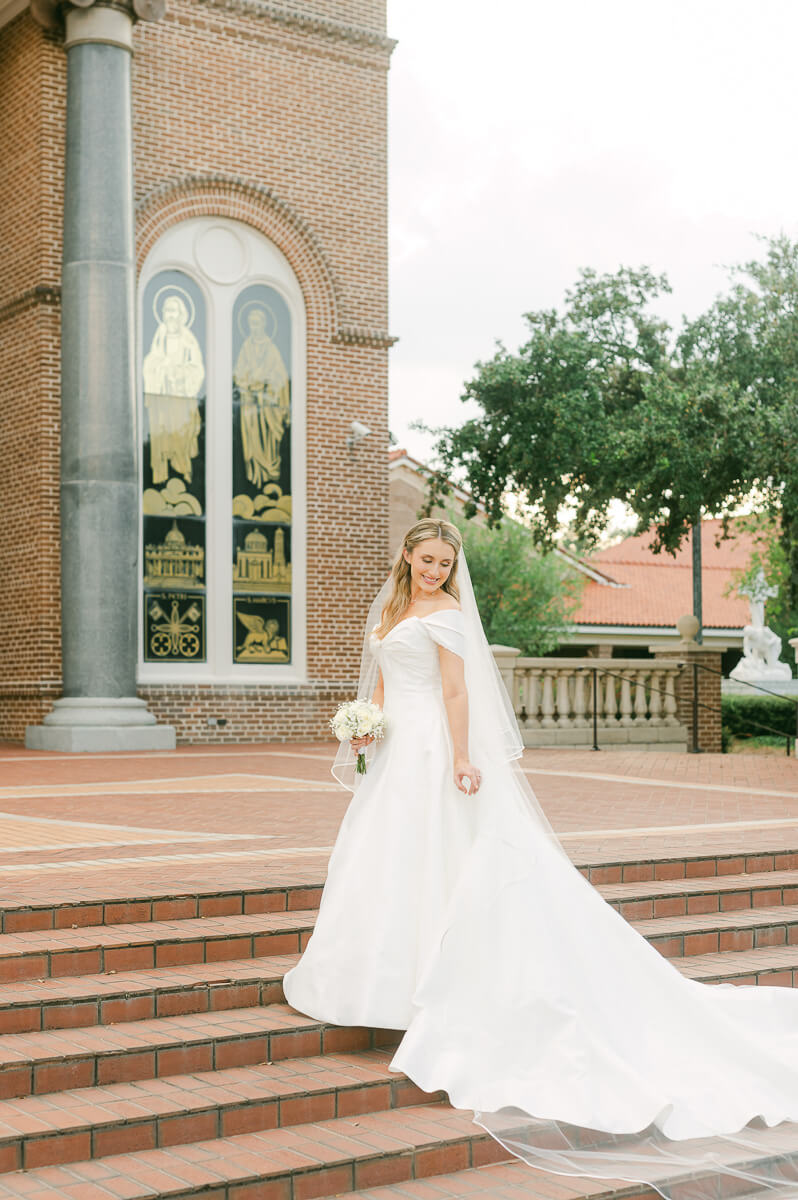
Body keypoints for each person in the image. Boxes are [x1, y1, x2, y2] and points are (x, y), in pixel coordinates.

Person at [283, 519, 798, 1200]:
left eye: (445, 562)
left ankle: (427, 984)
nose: (435, 570)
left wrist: (463, 757)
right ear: (407, 555)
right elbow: (381, 682)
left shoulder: (442, 614)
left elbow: (457, 691)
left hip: (437, 749)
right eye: (427, 559)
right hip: (393, 753)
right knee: (380, 860)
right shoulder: (392, 608)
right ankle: (372, 979)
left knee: (436, 854)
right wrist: (365, 730)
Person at [142, 294, 204, 485]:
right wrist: (162, 366)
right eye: (166, 311)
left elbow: (197, 369)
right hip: (162, 399)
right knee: (161, 436)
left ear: (181, 314)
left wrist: (179, 372)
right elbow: (150, 362)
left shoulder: (189, 340)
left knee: (181, 437)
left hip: (181, 399)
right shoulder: (160, 336)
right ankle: (161, 477)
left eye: (173, 310)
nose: (169, 315)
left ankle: (184, 473)